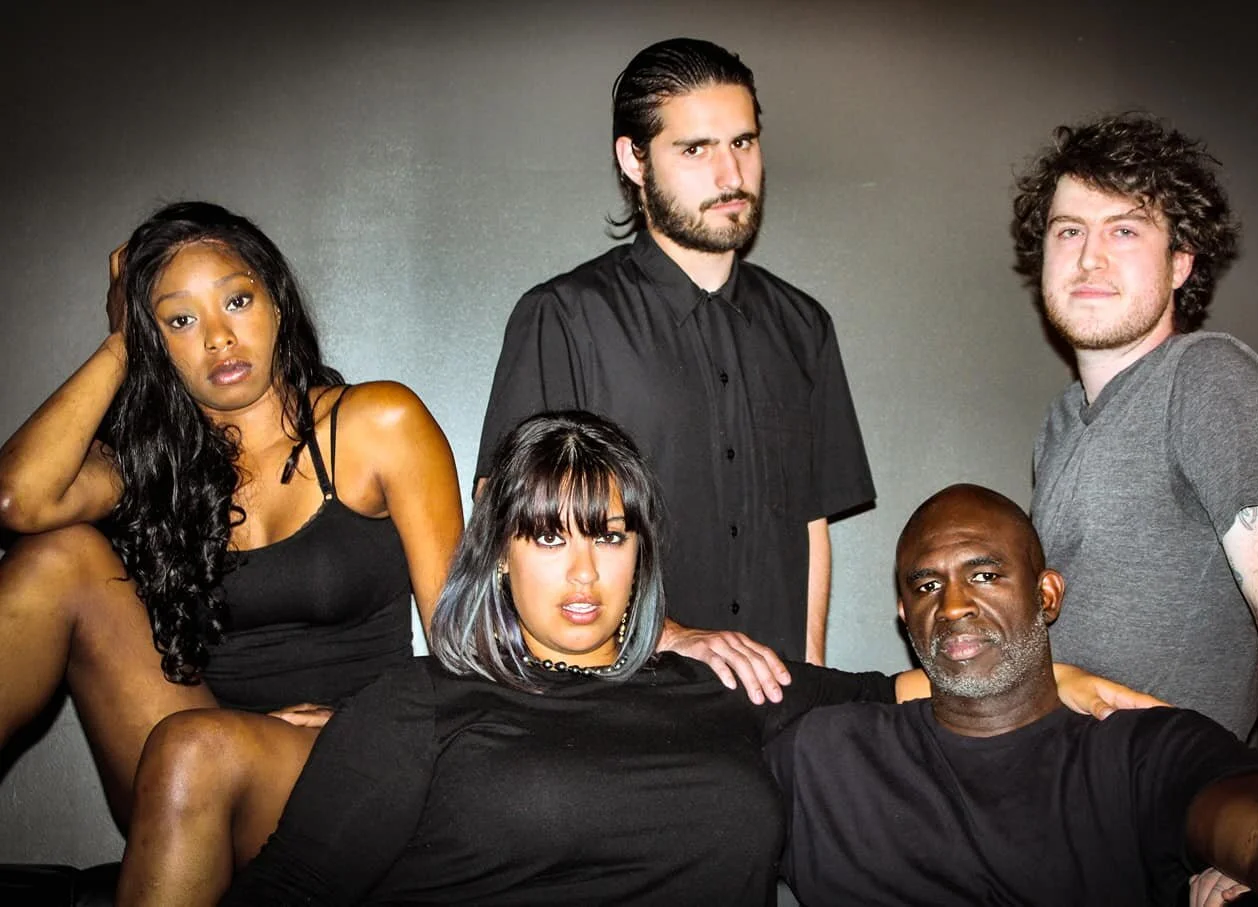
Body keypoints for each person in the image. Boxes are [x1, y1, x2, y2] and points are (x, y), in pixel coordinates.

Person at [219, 414, 1145, 906]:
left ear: (641, 552)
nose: (584, 572)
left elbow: (891, 688)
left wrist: (1051, 676)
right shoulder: (417, 703)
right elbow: (288, 891)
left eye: (609, 534)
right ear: (500, 553)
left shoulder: (718, 684)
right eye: (548, 537)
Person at [0, 202, 463, 868]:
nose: (218, 338)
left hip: (349, 762)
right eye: (180, 320)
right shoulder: (149, 463)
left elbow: (463, 646)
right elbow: (18, 499)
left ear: (276, 303)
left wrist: (373, 726)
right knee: (57, 557)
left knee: (196, 746)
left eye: (237, 301)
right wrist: (121, 342)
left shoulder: (376, 423)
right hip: (186, 764)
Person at [476, 37, 875, 679]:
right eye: (695, 149)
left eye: (742, 143)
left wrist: (811, 679)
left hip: (773, 701)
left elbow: (810, 526)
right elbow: (509, 524)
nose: (730, 175)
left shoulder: (805, 328)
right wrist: (667, 636)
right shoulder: (564, 317)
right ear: (634, 160)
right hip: (623, 696)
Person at [769, 484, 1258, 907]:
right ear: (905, 615)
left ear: (1046, 595)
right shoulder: (826, 756)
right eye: (927, 586)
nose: (952, 606)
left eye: (984, 575)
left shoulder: (1142, 751)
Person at [1011, 113, 1258, 808]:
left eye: (1124, 231)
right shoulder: (1059, 422)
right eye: (1069, 231)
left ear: (1181, 260)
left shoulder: (1208, 377)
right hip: (1054, 799)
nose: (1089, 258)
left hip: (1163, 809)